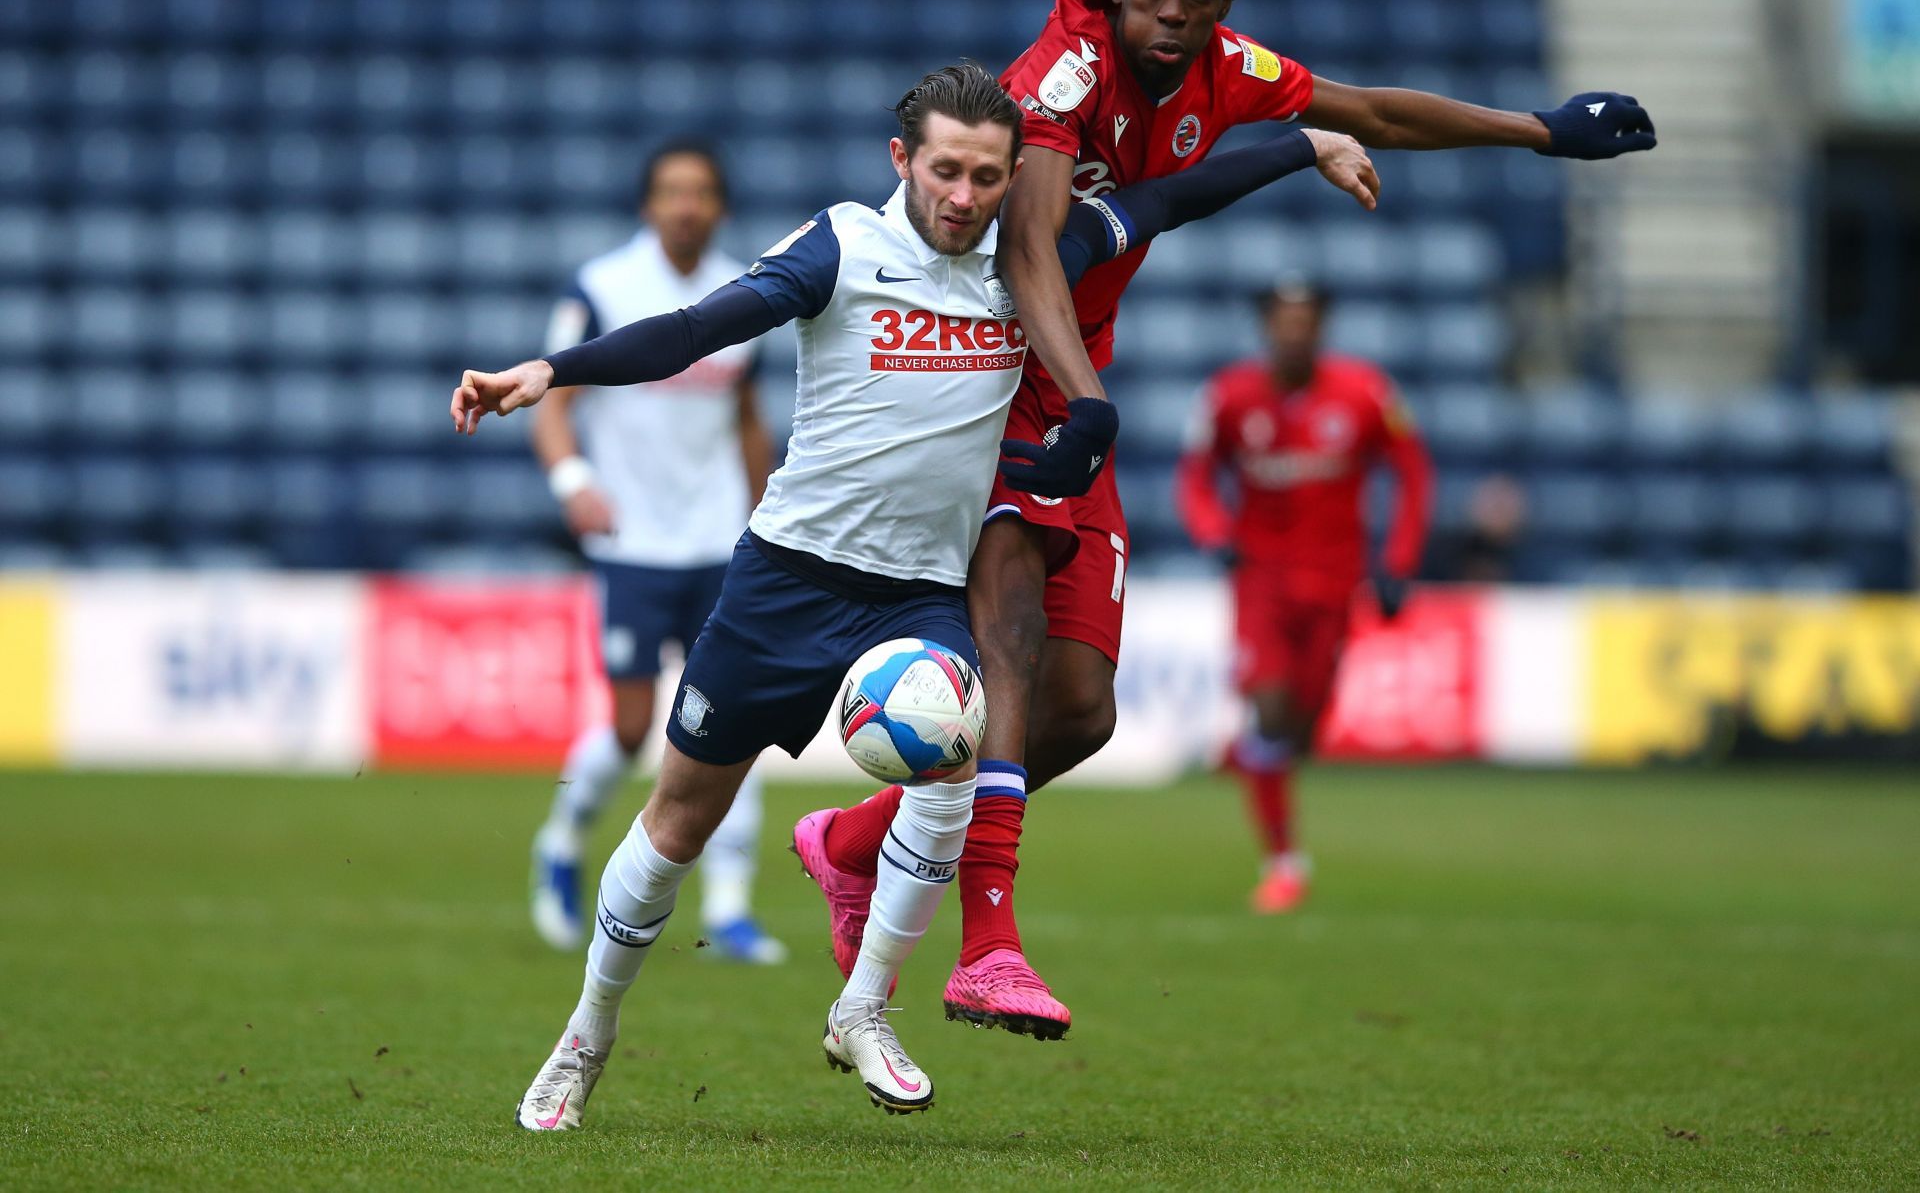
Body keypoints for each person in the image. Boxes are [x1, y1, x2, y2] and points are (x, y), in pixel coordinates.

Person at [806, 0, 1657, 1042]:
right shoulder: (1065, 73)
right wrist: (1087, 401)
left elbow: (1371, 108)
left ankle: (851, 839)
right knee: (1011, 657)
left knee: (1083, 712)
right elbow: (1032, 251)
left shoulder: (1228, 69)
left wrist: (1537, 131)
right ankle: (987, 941)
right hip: (983, 380)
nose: (1173, 12)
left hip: (1072, 386)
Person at [452, 64, 1361, 1129]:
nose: (963, 196)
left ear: (1014, 174)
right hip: (788, 576)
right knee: (677, 823)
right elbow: (700, 327)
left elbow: (1169, 198)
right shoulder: (842, 244)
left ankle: (865, 1004)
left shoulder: (1030, 263)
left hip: (920, 589)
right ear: (902, 161)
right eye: (944, 171)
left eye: (986, 176)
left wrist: (1306, 144)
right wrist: (550, 372)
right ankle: (587, 1033)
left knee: (952, 762)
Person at [527, 140, 785, 965]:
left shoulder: (745, 292)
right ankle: (562, 841)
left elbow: (747, 416)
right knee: (636, 727)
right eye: (671, 191)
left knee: (734, 722)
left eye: (701, 191)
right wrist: (573, 482)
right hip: (633, 542)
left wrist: (765, 513)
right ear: (647, 204)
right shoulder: (601, 289)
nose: (686, 204)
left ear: (721, 207)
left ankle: (733, 909)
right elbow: (551, 402)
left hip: (719, 541)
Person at [1176, 278, 1433, 912]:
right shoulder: (1229, 398)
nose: (1295, 333)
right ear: (1267, 328)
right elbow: (1196, 479)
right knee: (1269, 707)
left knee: (1302, 729)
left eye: (1306, 322)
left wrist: (1398, 563)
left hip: (1336, 582)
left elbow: (1413, 474)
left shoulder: (1367, 393)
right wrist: (1215, 534)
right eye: (1284, 322)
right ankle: (1284, 862)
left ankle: (1251, 756)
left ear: (1322, 327)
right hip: (1261, 580)